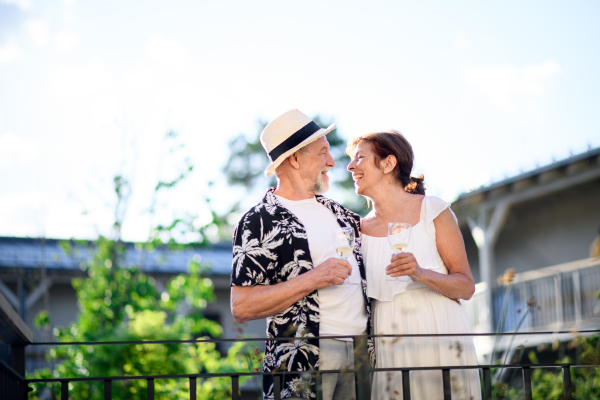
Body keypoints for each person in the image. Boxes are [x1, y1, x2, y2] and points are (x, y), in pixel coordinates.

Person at [230, 109, 374, 400]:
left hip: (361, 354)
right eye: (323, 153)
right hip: (303, 360)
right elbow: (241, 307)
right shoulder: (258, 221)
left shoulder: (344, 215)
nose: (332, 162)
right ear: (295, 158)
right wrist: (313, 279)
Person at [346, 130, 481, 400]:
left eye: (360, 157)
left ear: (388, 163)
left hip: (440, 330)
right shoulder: (355, 230)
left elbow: (465, 286)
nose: (350, 166)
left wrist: (421, 274)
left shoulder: (433, 209)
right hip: (389, 339)